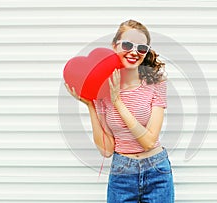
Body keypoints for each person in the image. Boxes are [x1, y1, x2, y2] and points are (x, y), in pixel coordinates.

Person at [65, 19, 174, 203]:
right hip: (122, 173)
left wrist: (117, 101)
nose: (134, 52)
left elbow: (148, 142)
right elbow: (106, 150)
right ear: (114, 46)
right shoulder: (101, 91)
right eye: (127, 45)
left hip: (157, 171)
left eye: (141, 48)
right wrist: (91, 105)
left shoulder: (156, 84)